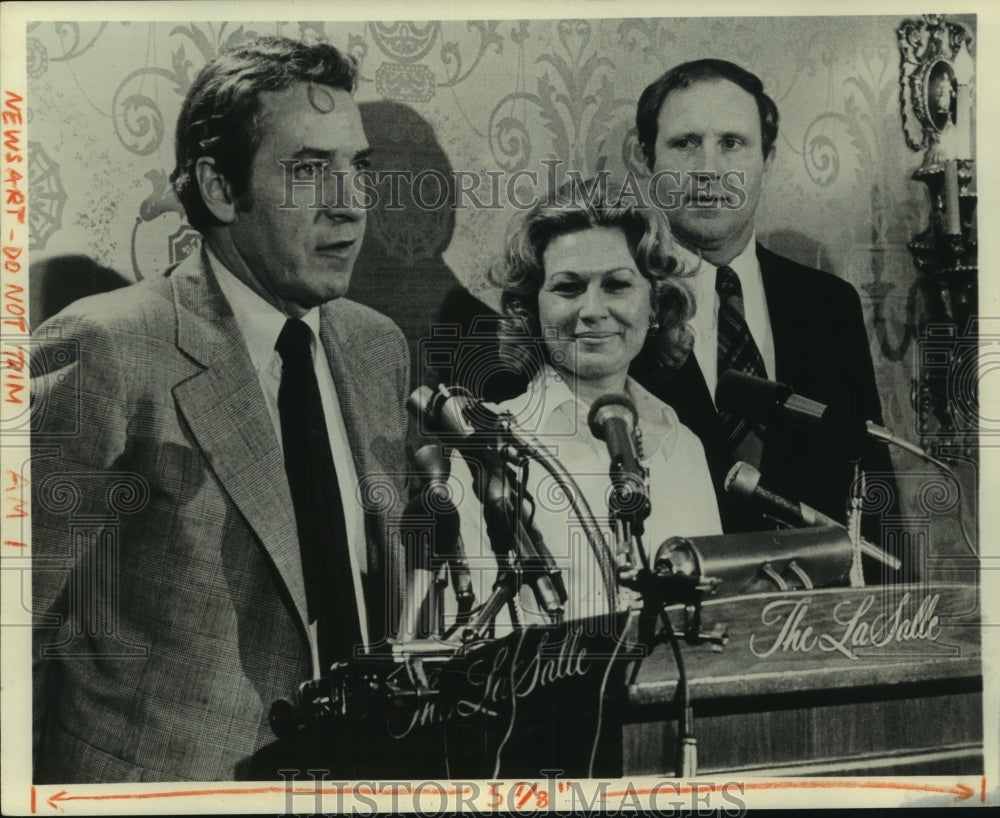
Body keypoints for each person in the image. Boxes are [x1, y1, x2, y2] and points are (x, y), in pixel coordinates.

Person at [31, 36, 409, 782]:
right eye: (308, 170)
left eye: (356, 169)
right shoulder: (109, 348)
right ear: (218, 187)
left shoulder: (377, 347)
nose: (349, 204)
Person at [632, 59, 900, 579]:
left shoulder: (828, 304)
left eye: (732, 143)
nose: (708, 168)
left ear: (767, 158)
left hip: (819, 626)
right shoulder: (616, 309)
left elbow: (873, 487)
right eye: (685, 143)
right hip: (675, 628)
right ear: (648, 161)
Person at [438, 181, 722, 630]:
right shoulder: (486, 447)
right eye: (568, 288)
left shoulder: (684, 446)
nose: (592, 310)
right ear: (532, 309)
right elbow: (471, 639)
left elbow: (711, 619)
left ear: (654, 305)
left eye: (617, 285)